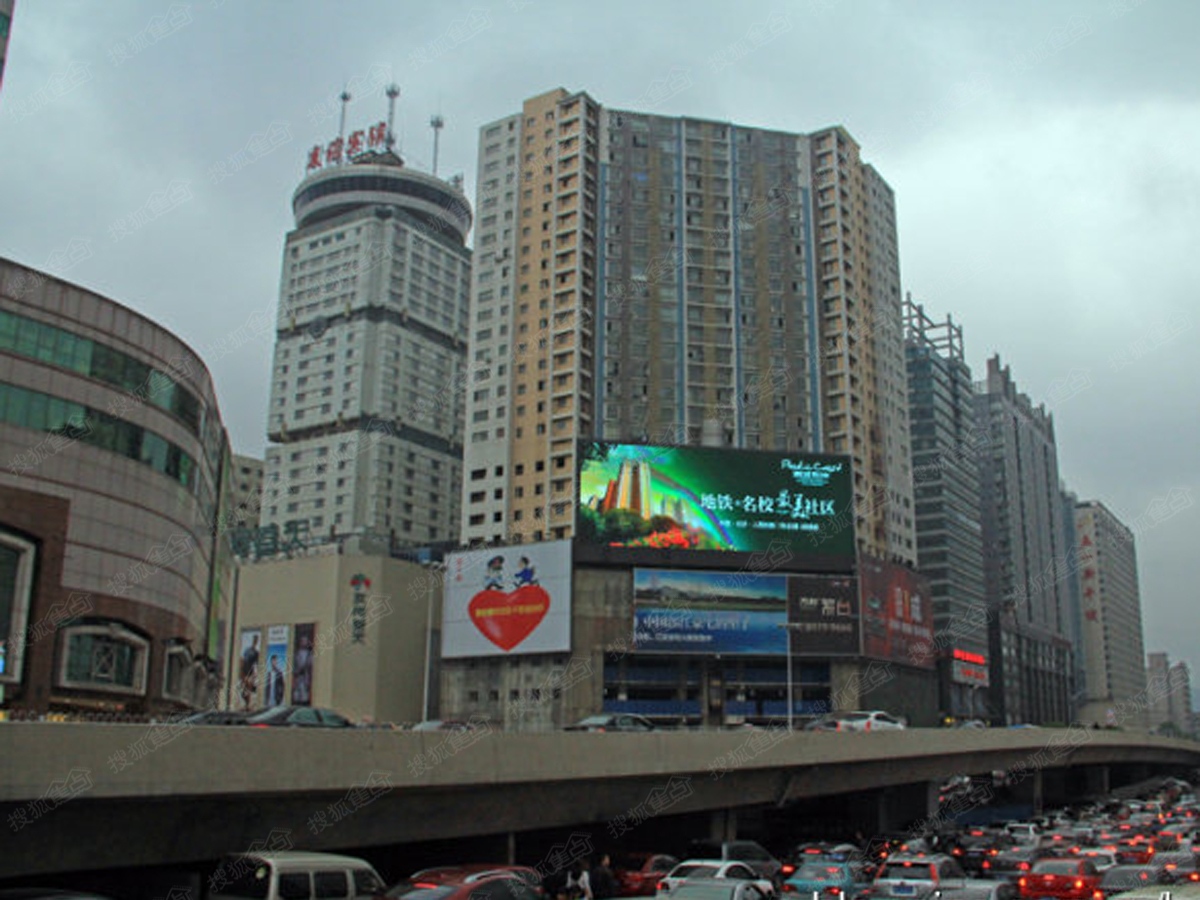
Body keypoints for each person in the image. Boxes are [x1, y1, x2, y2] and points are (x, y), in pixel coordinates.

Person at [291, 634, 313, 705]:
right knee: (296, 696)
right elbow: (293, 666)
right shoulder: (296, 654)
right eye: (302, 641)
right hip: (298, 678)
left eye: (305, 641)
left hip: (305, 678)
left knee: (304, 696)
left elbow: (311, 666)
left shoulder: (310, 654)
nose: (303, 642)